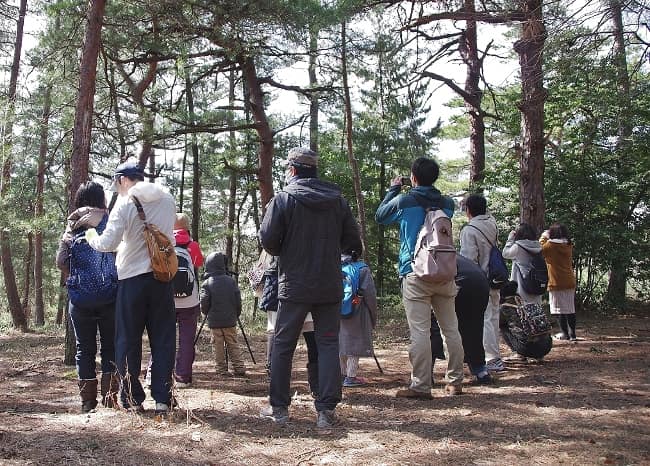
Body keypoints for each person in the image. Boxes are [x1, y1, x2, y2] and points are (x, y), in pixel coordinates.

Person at [258, 147, 362, 428]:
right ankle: (325, 412)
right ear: (314, 170)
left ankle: (279, 409)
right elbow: (353, 242)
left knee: (283, 344)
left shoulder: (283, 199)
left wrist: (287, 252)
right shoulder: (337, 201)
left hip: (294, 284)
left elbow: (267, 239)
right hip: (329, 285)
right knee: (328, 343)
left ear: (292, 170)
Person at [86, 161, 177, 413]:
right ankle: (163, 398)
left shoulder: (125, 204)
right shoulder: (167, 199)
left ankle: (131, 398)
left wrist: (91, 236)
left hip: (132, 280)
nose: (117, 188)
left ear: (124, 180)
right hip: (162, 277)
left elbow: (108, 243)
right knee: (164, 339)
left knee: (127, 338)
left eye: (117, 183)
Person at [376, 157, 464, 398]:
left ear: (413, 177)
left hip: (415, 271)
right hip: (444, 271)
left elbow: (381, 216)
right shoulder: (447, 203)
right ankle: (455, 381)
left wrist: (394, 188)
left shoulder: (405, 200)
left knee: (420, 332)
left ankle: (421, 385)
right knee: (451, 329)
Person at [56, 181, 117, 412]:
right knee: (110, 347)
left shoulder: (72, 226)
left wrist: (78, 276)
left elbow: (61, 261)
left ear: (79, 200)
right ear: (101, 199)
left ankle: (87, 403)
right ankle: (111, 400)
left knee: (84, 350)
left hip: (80, 299)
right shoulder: (109, 223)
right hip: (111, 296)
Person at [260, 256, 319, 397]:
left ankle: (316, 386)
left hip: (295, 288)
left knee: (285, 340)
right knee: (279, 340)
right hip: (286, 288)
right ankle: (277, 388)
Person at [430, 254, 492, 385]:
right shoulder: (451, 255)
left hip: (461, 282)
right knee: (474, 328)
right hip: (481, 282)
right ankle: (481, 371)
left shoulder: (426, 259)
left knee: (435, 325)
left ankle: (425, 373)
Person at [459, 194, 504, 373]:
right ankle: (495, 355)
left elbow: (468, 260)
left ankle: (491, 357)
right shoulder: (492, 224)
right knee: (493, 317)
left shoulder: (469, 231)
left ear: (468, 210)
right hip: (495, 277)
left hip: (479, 281)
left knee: (483, 319)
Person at [200, 252, 246, 376]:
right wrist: (236, 314)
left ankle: (221, 370)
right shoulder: (231, 281)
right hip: (230, 320)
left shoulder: (207, 283)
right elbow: (238, 301)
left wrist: (206, 313)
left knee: (218, 346)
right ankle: (239, 367)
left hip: (214, 321)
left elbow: (204, 303)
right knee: (233, 344)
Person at [173, 213, 204, 387]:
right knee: (186, 340)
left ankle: (153, 375)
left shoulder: (165, 243)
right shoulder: (192, 245)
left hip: (166, 300)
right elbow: (198, 263)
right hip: (190, 300)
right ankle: (183, 378)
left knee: (162, 336)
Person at [339, 250, 378, 388]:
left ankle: (342, 374)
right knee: (354, 344)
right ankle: (351, 377)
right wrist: (373, 316)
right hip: (358, 310)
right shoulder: (362, 268)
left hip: (338, 311)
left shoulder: (335, 265)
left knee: (342, 342)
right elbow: (370, 296)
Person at [540, 223, 578, 341]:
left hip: (556, 281)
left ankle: (564, 333)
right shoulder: (568, 245)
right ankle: (573, 334)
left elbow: (539, 248)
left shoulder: (550, 246)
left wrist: (544, 236)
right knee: (570, 308)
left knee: (559, 309)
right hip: (569, 280)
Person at [498, 281, 552, 361]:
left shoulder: (505, 307)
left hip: (526, 349)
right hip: (547, 346)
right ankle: (539, 356)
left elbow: (497, 323)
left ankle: (518, 354)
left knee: (502, 326)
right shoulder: (525, 303)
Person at [502, 223, 543, 305]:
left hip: (522, 285)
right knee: (535, 310)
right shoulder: (539, 246)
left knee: (524, 311)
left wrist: (510, 239)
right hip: (536, 283)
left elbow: (505, 254)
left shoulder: (518, 247)